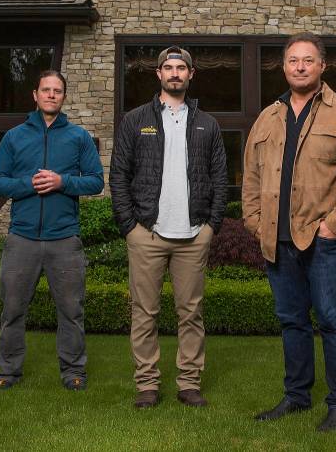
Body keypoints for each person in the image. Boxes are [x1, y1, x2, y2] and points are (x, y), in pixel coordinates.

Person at [242, 32, 336, 432]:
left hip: (325, 242)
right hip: (277, 242)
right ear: (283, 67)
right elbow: (250, 177)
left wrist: (334, 226)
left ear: (322, 66)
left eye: (308, 60)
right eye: (293, 60)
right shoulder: (267, 118)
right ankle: (297, 396)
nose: (300, 66)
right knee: (291, 322)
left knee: (334, 320)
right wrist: (254, 220)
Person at [110, 46, 228, 409]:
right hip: (147, 233)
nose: (175, 73)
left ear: (191, 75)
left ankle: (189, 383)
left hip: (193, 235)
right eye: (168, 68)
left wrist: (211, 226)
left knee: (191, 313)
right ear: (158, 74)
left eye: (181, 68)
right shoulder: (135, 120)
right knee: (144, 313)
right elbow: (119, 175)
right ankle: (147, 384)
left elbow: (220, 178)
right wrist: (130, 226)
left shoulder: (207, 123)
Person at [0, 70, 104, 392]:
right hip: (21, 239)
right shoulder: (14, 137)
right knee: (12, 310)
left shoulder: (78, 137)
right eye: (46, 90)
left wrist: (62, 181)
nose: (51, 95)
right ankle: (8, 371)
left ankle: (73, 371)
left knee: (71, 311)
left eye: (57, 91)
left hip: (65, 239)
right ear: (35, 95)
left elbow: (96, 181)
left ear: (64, 97)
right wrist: (29, 184)